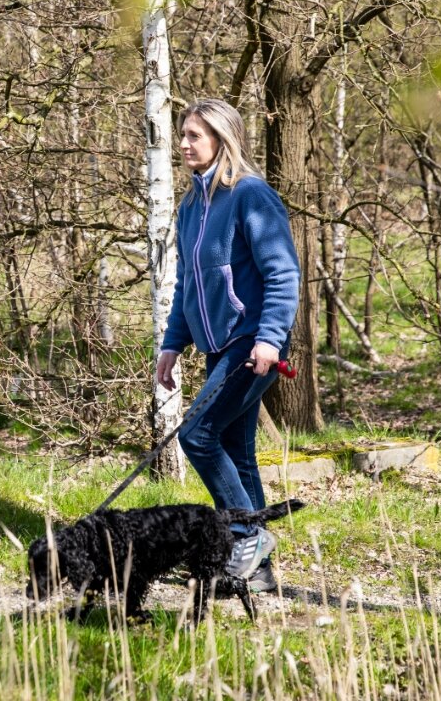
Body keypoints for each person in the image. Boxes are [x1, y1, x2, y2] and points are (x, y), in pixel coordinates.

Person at [156, 98, 300, 593]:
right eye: (182, 134)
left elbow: (283, 274)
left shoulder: (250, 195)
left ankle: (246, 537)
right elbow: (188, 285)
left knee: (197, 434)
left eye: (194, 135)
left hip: (252, 342)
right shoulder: (191, 207)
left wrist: (270, 339)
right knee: (237, 451)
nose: (183, 143)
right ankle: (256, 573)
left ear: (222, 138)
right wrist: (172, 344)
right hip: (218, 345)